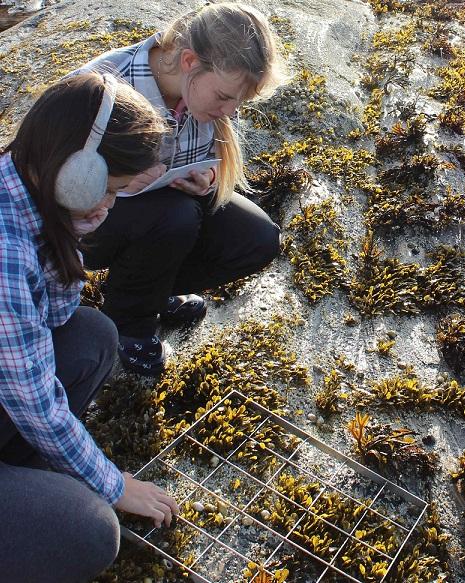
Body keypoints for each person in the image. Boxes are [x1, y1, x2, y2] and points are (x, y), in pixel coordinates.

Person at [0, 73, 179, 583]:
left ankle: (25, 479)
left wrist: (69, 233)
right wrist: (114, 485)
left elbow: (56, 319)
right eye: (115, 190)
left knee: (91, 335)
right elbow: (36, 404)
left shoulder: (21, 185)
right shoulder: (4, 253)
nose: (111, 205)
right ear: (75, 175)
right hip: (23, 403)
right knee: (92, 532)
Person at [76, 3, 287, 375]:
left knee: (257, 237)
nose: (231, 110)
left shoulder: (212, 92)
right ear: (189, 60)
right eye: (224, 97)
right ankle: (128, 322)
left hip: (160, 216)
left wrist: (206, 183)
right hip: (89, 225)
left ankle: (149, 290)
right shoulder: (106, 84)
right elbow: (45, 183)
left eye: (241, 101)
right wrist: (111, 182)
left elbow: (209, 155)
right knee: (176, 216)